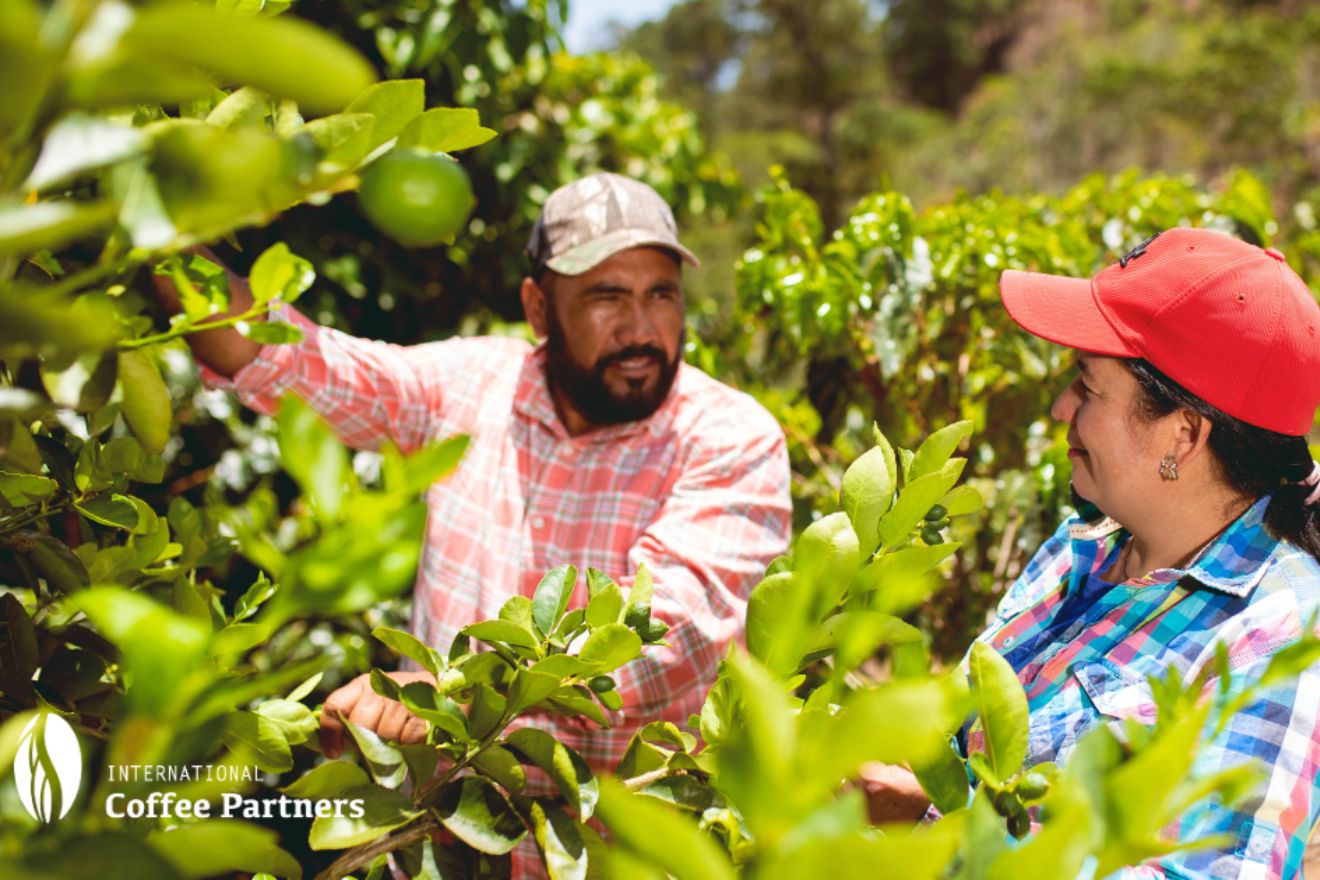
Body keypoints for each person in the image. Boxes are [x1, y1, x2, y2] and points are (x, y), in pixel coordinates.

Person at [163, 172, 792, 775]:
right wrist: (145, 231)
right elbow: (288, 359)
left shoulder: (729, 437)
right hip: (434, 837)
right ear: (539, 310)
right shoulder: (469, 387)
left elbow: (666, 646)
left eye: (662, 293)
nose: (641, 328)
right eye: (607, 297)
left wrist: (453, 695)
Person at [861, 227, 1320, 878]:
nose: (1058, 406)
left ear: (1183, 435)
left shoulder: (1277, 638)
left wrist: (935, 826)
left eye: (1088, 386)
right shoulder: (1085, 544)